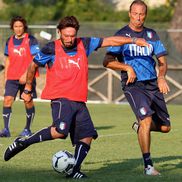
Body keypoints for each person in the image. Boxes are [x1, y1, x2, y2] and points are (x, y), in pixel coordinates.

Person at [4, 16, 148, 179]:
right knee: (60, 131)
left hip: (79, 100)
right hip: (61, 98)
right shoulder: (50, 49)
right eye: (66, 35)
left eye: (72, 35)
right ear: (59, 32)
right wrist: (28, 87)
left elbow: (110, 41)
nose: (69, 39)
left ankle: (74, 170)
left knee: (87, 136)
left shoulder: (84, 44)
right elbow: (32, 66)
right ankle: (24, 141)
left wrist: (134, 40)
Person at [103, 0, 171, 176]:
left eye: (142, 14)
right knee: (147, 120)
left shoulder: (152, 35)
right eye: (135, 13)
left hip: (152, 84)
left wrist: (161, 76)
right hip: (133, 85)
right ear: (129, 14)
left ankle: (139, 126)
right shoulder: (122, 35)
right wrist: (127, 67)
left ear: (145, 15)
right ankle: (148, 166)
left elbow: (162, 63)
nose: (138, 17)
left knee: (165, 127)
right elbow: (107, 61)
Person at [0, 16, 40, 137]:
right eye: (16, 26)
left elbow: (36, 59)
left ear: (24, 27)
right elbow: (8, 59)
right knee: (7, 100)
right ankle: (6, 130)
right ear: (12, 27)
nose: (18, 29)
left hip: (27, 78)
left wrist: (26, 74)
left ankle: (27, 129)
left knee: (27, 101)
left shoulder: (31, 40)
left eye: (20, 26)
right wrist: (5, 76)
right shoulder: (9, 41)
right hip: (12, 77)